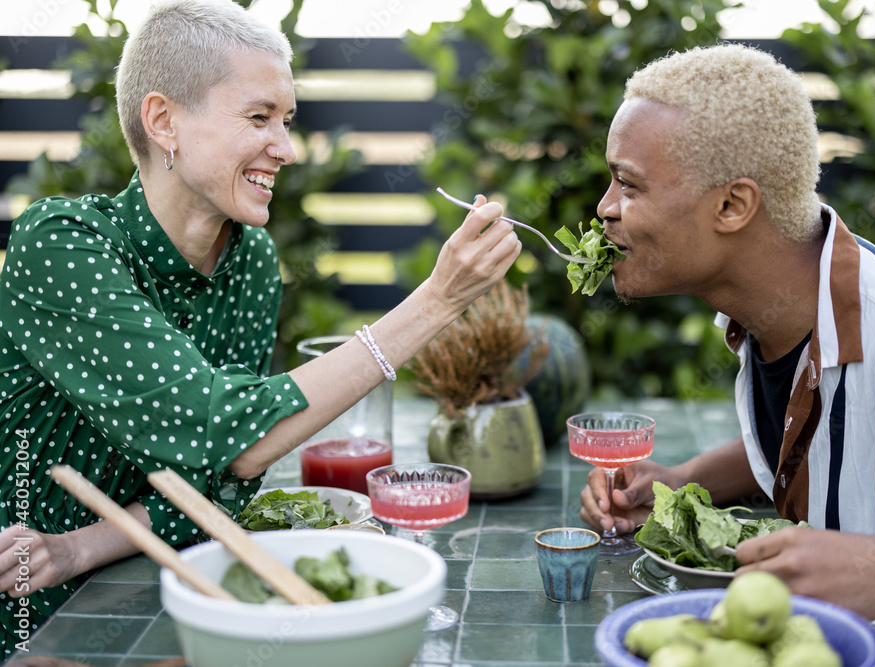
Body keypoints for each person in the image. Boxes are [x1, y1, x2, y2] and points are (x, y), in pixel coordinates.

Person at [0, 0, 520, 655]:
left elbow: (217, 481)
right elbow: (225, 433)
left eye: (289, 120)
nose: (287, 147)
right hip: (29, 616)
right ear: (164, 121)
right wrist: (439, 300)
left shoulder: (249, 260)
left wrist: (79, 546)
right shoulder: (61, 245)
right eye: (259, 118)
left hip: (159, 590)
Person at [578, 44, 875, 666]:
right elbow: (828, 440)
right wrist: (684, 482)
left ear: (732, 206)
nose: (604, 208)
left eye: (628, 183)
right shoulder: (777, 315)